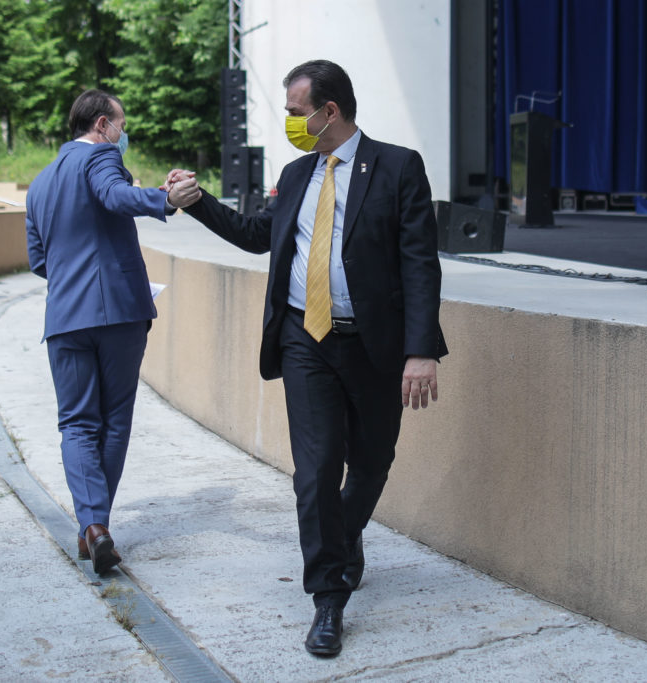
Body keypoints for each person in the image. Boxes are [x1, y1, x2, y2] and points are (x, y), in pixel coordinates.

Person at [168, 59, 447, 656]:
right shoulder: (296, 174)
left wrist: (421, 350)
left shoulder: (398, 167)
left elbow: (420, 264)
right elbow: (256, 235)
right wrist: (197, 202)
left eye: (297, 112)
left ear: (329, 111)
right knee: (316, 469)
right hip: (304, 338)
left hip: (373, 343)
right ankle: (328, 597)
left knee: (371, 462)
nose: (290, 122)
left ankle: (342, 535)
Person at [25, 89, 199, 574]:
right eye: (121, 125)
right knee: (114, 420)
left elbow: (38, 260)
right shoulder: (101, 157)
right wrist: (164, 199)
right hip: (118, 314)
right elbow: (113, 195)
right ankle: (96, 525)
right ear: (102, 124)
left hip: (64, 318)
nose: (123, 135)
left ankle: (92, 528)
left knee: (76, 423)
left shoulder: (39, 183)